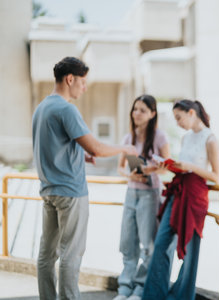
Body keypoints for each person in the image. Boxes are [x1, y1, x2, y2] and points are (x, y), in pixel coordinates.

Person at [32, 56, 138, 300]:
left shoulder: (42, 108)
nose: (85, 86)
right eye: (83, 81)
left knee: (46, 254)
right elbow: (97, 149)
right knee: (71, 253)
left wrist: (79, 155)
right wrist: (125, 149)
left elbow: (54, 146)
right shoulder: (66, 108)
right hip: (70, 192)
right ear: (70, 79)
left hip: (49, 190)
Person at [141, 99, 219, 300]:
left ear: (192, 113)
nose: (177, 122)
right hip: (179, 191)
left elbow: (216, 176)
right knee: (161, 242)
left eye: (179, 117)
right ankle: (153, 296)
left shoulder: (210, 138)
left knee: (191, 250)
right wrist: (174, 166)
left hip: (195, 196)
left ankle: (182, 296)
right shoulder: (186, 138)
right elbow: (185, 165)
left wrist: (188, 167)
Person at [114, 95, 170, 300]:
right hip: (131, 192)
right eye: (135, 109)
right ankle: (124, 289)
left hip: (150, 193)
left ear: (152, 114)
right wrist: (130, 174)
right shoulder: (128, 138)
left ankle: (139, 289)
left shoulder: (160, 137)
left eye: (142, 110)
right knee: (127, 243)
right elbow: (120, 167)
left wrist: (149, 170)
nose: (137, 113)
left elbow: (166, 168)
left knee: (148, 245)